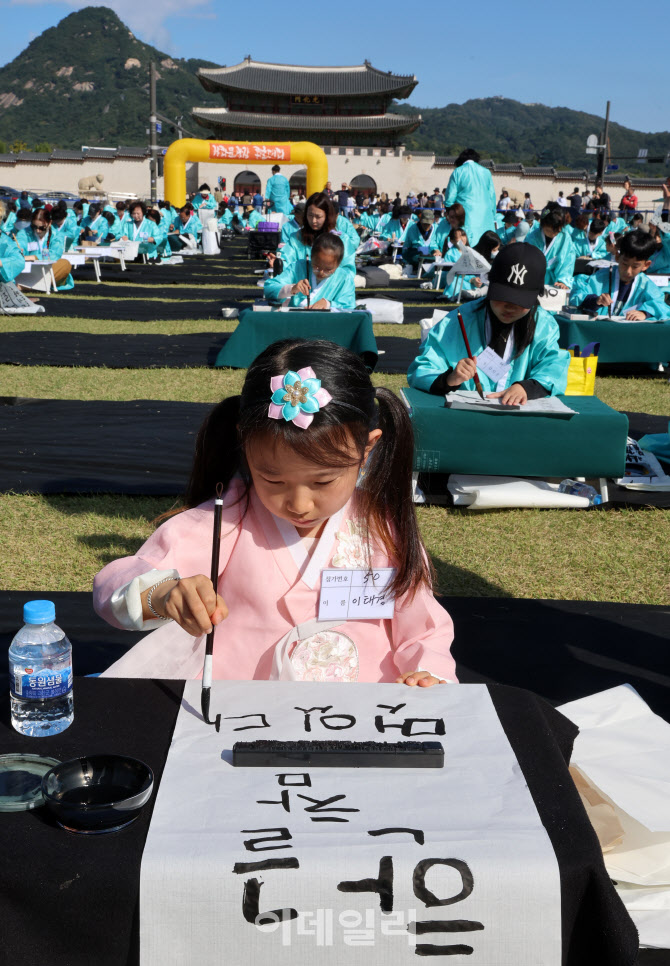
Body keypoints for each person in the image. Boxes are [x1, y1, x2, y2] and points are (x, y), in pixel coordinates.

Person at [93, 339, 457, 685]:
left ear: (366, 449)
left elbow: (423, 626)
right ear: (245, 446)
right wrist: (164, 593)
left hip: (358, 710)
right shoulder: (230, 516)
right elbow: (121, 581)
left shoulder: (381, 526)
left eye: (322, 482)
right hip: (244, 707)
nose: (299, 504)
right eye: (273, 480)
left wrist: (428, 670)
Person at [408, 243, 569, 405]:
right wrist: (450, 378)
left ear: (536, 296)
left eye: (520, 301)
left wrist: (527, 388)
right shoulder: (459, 320)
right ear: (490, 285)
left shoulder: (544, 325)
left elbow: (554, 367)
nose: (510, 307)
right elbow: (422, 368)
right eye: (502, 297)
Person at [575, 230, 669, 321]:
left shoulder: (645, 284)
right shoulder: (599, 279)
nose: (628, 271)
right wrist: (595, 300)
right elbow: (577, 295)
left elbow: (661, 305)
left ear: (646, 265)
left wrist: (645, 313)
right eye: (625, 264)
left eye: (635, 266)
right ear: (617, 257)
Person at [263, 232, 356, 311]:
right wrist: (292, 289)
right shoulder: (298, 267)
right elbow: (269, 288)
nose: (321, 272)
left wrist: (328, 304)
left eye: (328, 269)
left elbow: (349, 307)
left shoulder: (344, 278)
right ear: (311, 257)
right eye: (316, 266)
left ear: (338, 264)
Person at [444, 148, 496, 250]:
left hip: (466, 216)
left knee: (466, 248)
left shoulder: (458, 171)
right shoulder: (486, 172)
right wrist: (492, 215)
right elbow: (492, 197)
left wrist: (449, 213)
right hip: (486, 217)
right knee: (486, 247)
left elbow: (450, 198)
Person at [15, 207, 73, 290]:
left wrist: (33, 257)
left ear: (50, 223)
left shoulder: (57, 235)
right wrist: (18, 251)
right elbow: (19, 245)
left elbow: (55, 254)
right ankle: (35, 285)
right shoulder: (24, 233)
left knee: (65, 263)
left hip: (48, 269)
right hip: (28, 269)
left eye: (41, 228)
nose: (38, 231)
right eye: (34, 227)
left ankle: (26, 286)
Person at [526, 206, 576, 289]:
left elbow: (568, 261)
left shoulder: (565, 238)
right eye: (549, 231)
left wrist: (563, 280)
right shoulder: (532, 237)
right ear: (542, 225)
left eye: (557, 231)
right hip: (533, 281)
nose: (553, 234)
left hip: (555, 284)